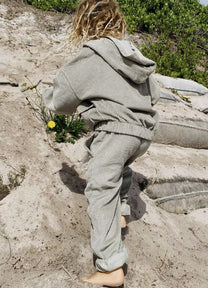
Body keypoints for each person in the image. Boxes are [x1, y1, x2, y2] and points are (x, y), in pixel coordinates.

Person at [42, 0, 160, 286]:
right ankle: (120, 215)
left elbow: (62, 98)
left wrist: (48, 97)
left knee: (99, 185)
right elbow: (153, 94)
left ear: (85, 23)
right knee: (119, 170)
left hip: (116, 130)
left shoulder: (92, 54)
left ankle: (109, 268)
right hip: (143, 131)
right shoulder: (135, 57)